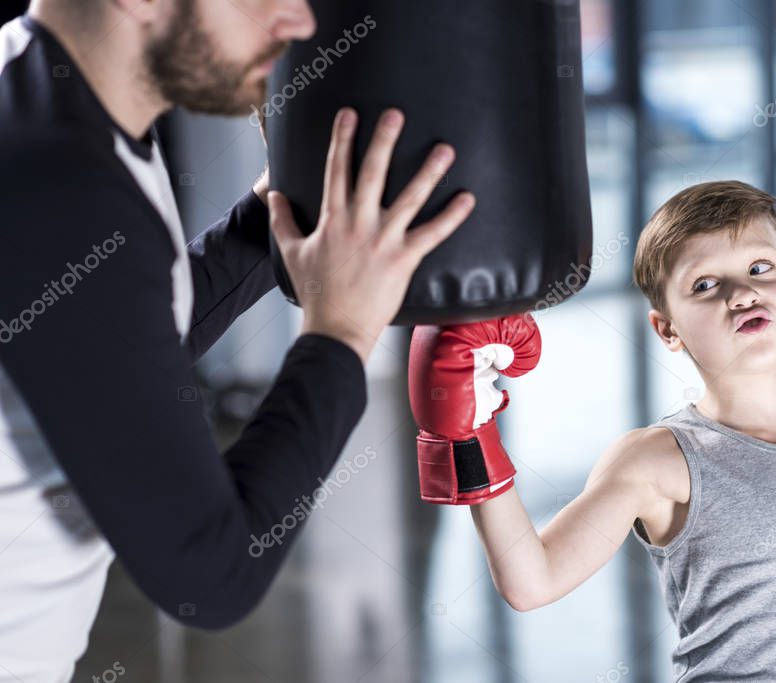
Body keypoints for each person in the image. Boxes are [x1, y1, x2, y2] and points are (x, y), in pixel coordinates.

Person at [0, 1, 475, 681]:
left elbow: (109, 347)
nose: (298, 22)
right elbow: (210, 571)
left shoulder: (38, 97)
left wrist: (279, 209)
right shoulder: (66, 181)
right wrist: (340, 331)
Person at [407, 180, 776, 680]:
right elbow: (530, 581)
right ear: (666, 329)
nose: (741, 291)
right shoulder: (658, 460)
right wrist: (470, 435)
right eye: (705, 284)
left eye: (759, 267)